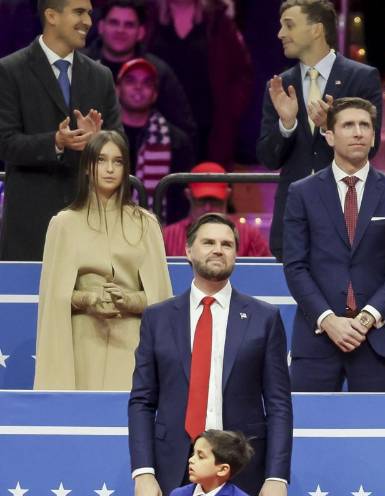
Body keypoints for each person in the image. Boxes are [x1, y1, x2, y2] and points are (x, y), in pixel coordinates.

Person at [129, 213, 292, 496]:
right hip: (169, 469)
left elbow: (279, 404)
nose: (218, 250)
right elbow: (142, 401)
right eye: (209, 242)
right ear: (188, 251)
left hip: (241, 470)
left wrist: (276, 476)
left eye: (227, 244)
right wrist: (144, 472)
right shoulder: (158, 318)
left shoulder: (264, 318)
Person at [283, 97, 385, 392]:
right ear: (329, 135)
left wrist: (367, 318)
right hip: (317, 338)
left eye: (365, 125)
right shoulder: (302, 193)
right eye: (348, 125)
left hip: (378, 340)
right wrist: (328, 320)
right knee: (310, 434)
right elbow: (295, 266)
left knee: (378, 435)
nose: (358, 132)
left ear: (373, 135)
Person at [34, 130, 170, 390]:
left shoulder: (145, 223)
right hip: (82, 339)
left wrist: (129, 300)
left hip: (133, 340)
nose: (110, 169)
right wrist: (87, 298)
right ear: (87, 167)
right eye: (101, 161)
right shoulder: (64, 224)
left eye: (117, 162)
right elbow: (54, 298)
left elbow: (160, 297)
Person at [258, 0, 383, 258]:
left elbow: (370, 148)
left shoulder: (361, 78)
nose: (280, 34)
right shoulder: (281, 85)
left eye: (289, 25)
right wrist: (287, 125)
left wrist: (331, 127)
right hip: (293, 226)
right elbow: (268, 158)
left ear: (316, 29)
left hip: (347, 220)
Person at [0, 0, 123, 261]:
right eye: (79, 13)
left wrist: (99, 142)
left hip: (90, 222)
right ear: (51, 16)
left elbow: (120, 144)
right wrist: (56, 142)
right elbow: (5, 142)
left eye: (89, 14)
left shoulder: (101, 76)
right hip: (30, 227)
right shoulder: (10, 71)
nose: (88, 22)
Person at [148, 0, 250, 166]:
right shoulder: (149, 16)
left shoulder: (218, 20)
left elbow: (242, 73)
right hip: (157, 127)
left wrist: (229, 112)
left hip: (209, 131)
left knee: (209, 188)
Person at [85, 0, 195, 142]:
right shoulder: (77, 65)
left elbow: (184, 130)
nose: (120, 30)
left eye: (129, 25)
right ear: (101, 27)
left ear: (141, 32)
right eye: (114, 22)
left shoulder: (158, 72)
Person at [116, 57, 194, 223]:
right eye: (130, 81)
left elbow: (179, 202)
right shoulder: (104, 136)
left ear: (155, 94)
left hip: (160, 234)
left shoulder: (176, 141)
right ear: (117, 90)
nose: (138, 88)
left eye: (146, 83)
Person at [160, 162, 272, 257]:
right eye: (201, 201)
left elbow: (267, 277)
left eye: (215, 201)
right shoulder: (168, 237)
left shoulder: (250, 237)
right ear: (188, 195)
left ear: (228, 195)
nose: (208, 208)